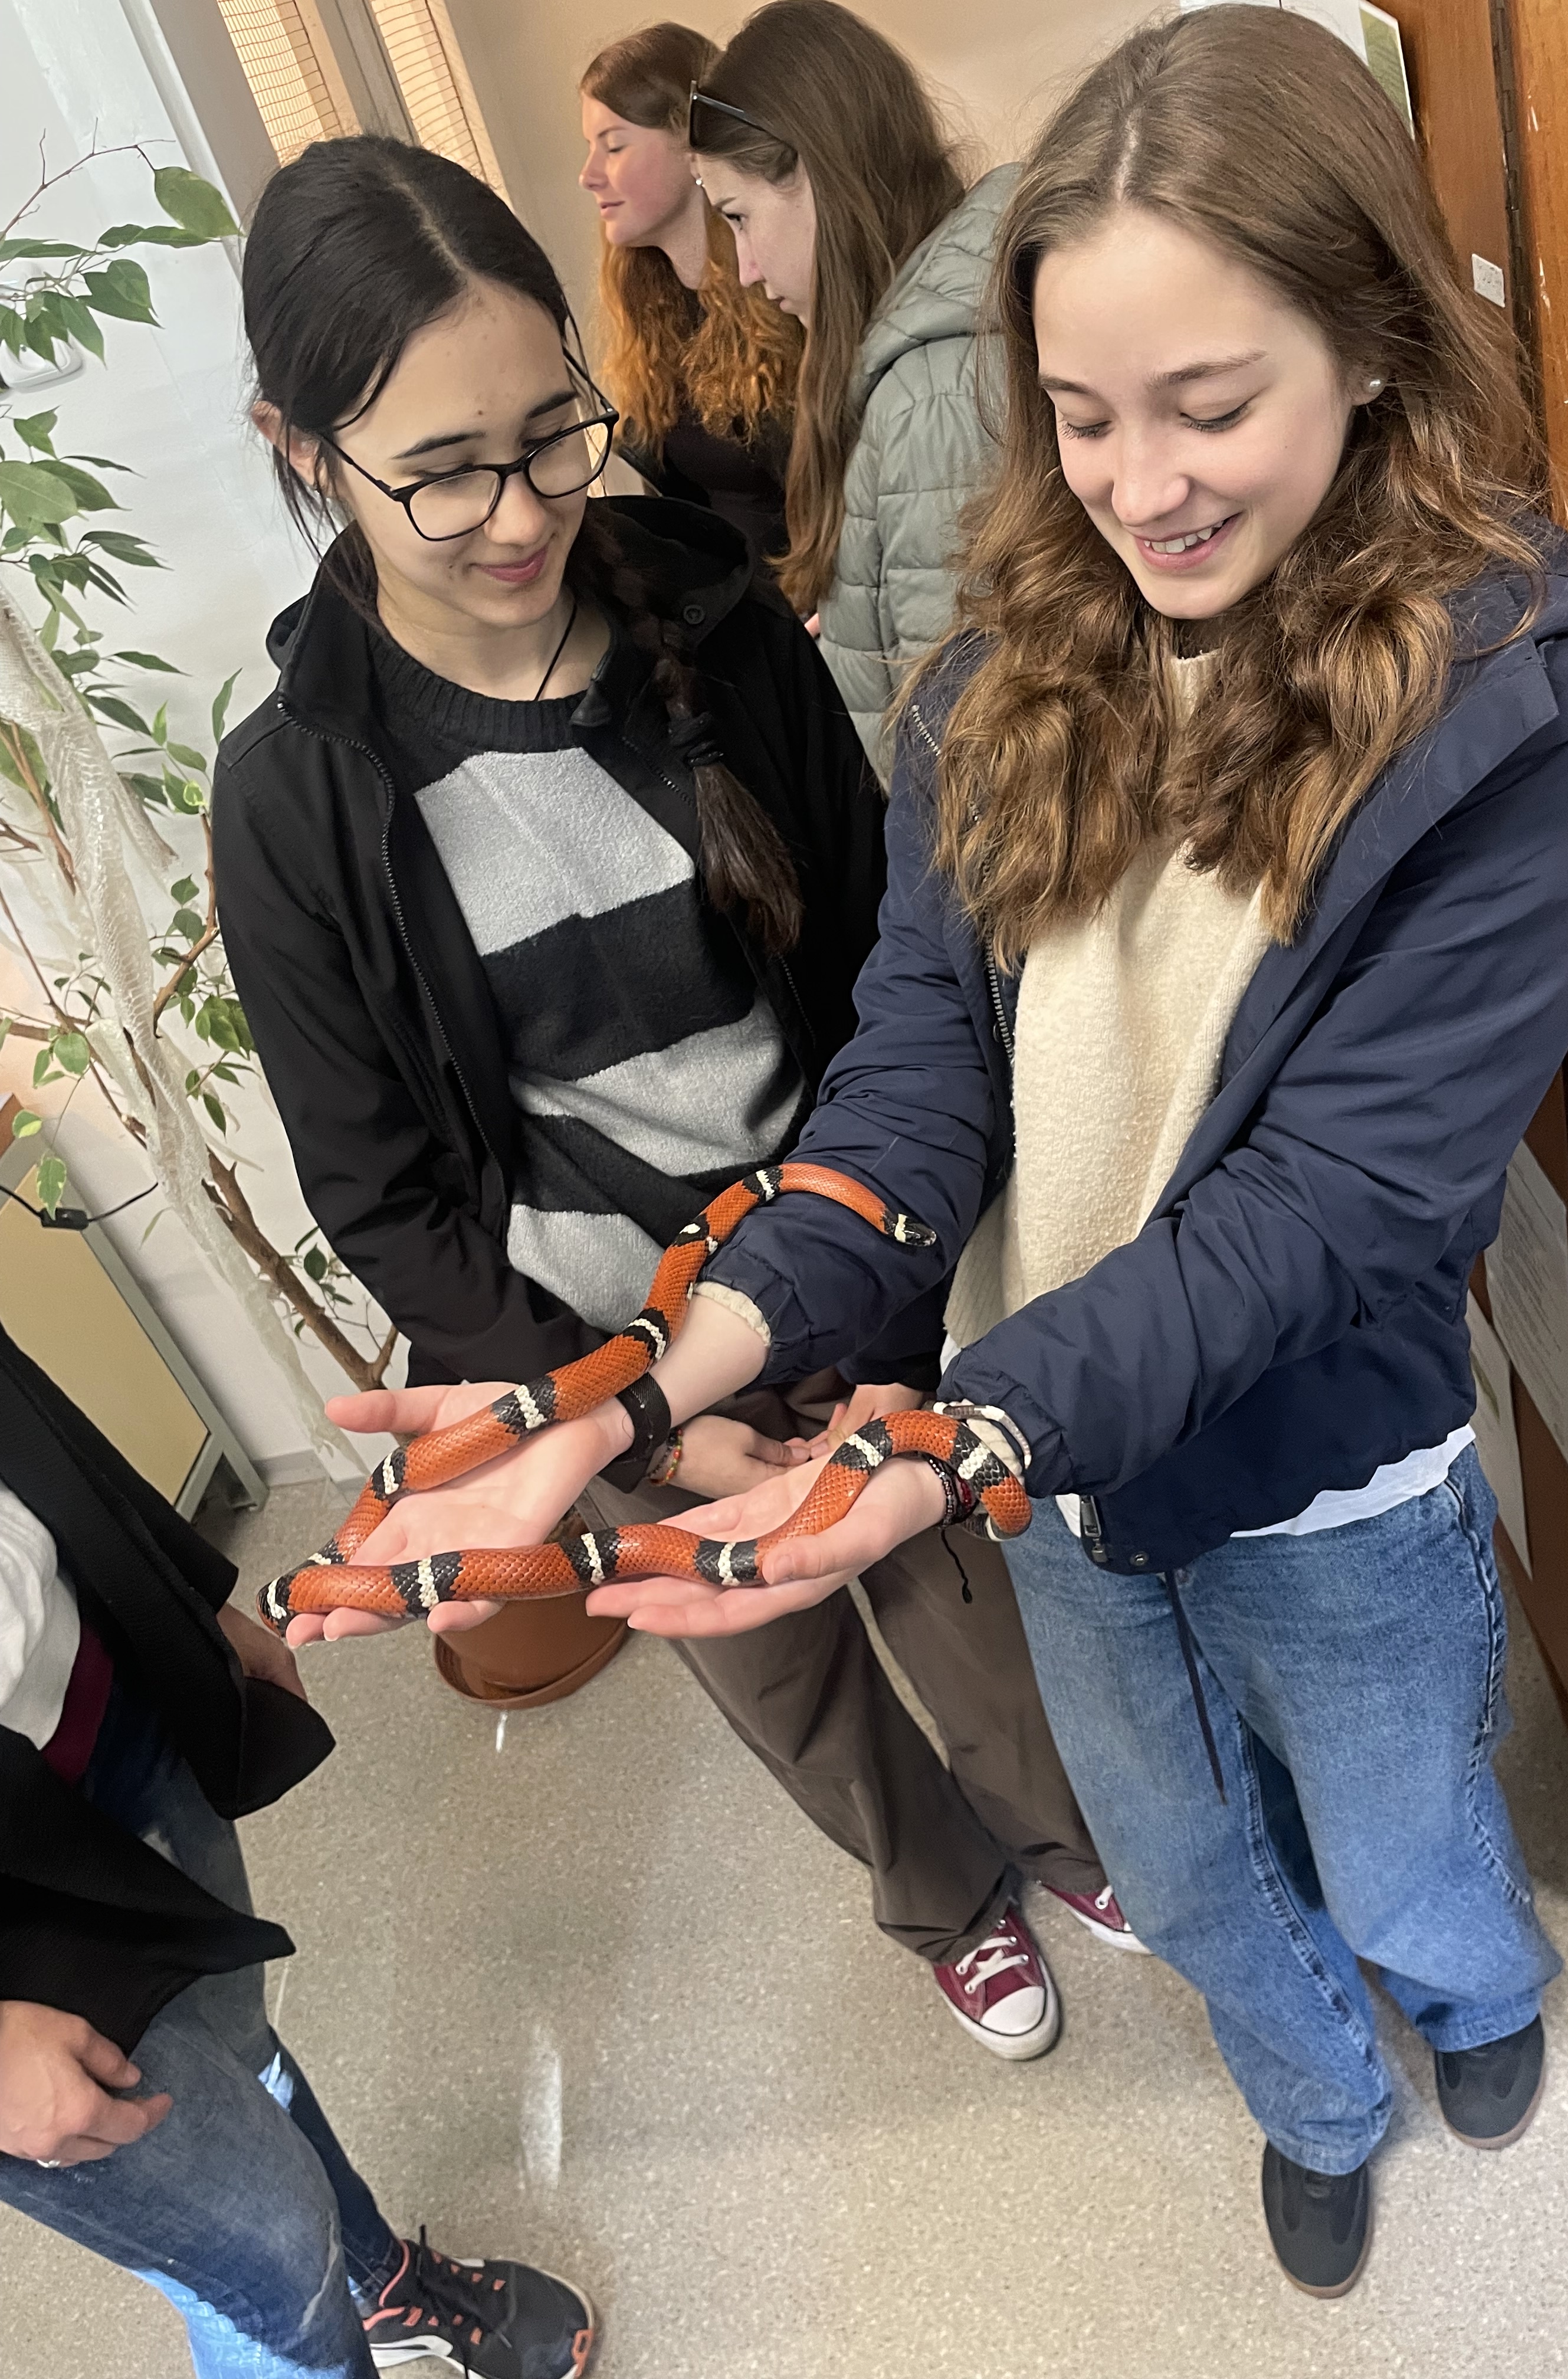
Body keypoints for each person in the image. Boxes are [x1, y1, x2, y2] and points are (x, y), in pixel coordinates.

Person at [331, 8, 1568, 2295]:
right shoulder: (1003, 675)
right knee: (1185, 1854)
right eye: (1084, 416)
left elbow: (1336, 1205)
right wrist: (643, 1385)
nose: (1141, 487)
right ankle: (1317, 2097)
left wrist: (951, 1444)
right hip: (1042, 1472)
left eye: (1210, 406)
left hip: (1314, 1468)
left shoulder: (1516, 696)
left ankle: (1471, 1997)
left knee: (1404, 1832)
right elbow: (915, 1087)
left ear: (1369, 348)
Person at [213, 136, 1132, 2059]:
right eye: (442, 469)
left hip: (850, 1257)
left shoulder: (706, 610)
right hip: (581, 1341)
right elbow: (384, 1195)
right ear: (299, 449)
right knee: (778, 1660)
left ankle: (1067, 1839)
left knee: (969, 1597)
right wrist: (636, 1426)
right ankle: (943, 1900)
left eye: (552, 434)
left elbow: (894, 967)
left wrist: (896, 1285)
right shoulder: (298, 796)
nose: (519, 513)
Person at [0, 1322, 596, 2377]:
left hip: (103, 1693)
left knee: (241, 2041)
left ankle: (380, 2285)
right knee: (267, 2267)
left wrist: (187, 1591)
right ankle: (336, 2289)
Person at [687, 0, 1013, 768]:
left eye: (738, 217)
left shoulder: (932, 399)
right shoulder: (920, 355)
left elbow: (963, 757)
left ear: (811, 174)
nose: (745, 269)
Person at [579, 21, 802, 569]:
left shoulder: (785, 296)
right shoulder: (650, 307)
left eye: (614, 147)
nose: (588, 176)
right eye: (590, 149)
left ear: (691, 146)